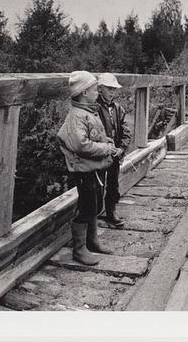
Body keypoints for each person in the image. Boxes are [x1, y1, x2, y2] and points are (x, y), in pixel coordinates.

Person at [57, 71, 123, 266]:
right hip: (84, 171)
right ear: (85, 92)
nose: (98, 92)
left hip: (93, 168)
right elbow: (81, 145)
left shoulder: (88, 111)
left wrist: (107, 141)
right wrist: (105, 148)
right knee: (86, 208)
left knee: (95, 204)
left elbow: (92, 136)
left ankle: (92, 241)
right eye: (95, 89)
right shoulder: (77, 115)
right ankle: (79, 250)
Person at [95, 73, 130, 228]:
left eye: (114, 89)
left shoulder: (118, 109)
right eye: (109, 88)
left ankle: (111, 211)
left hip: (114, 154)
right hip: (99, 155)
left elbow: (126, 131)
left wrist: (122, 148)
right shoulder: (93, 108)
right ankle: (94, 215)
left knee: (113, 184)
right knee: (97, 185)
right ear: (100, 88)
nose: (112, 92)